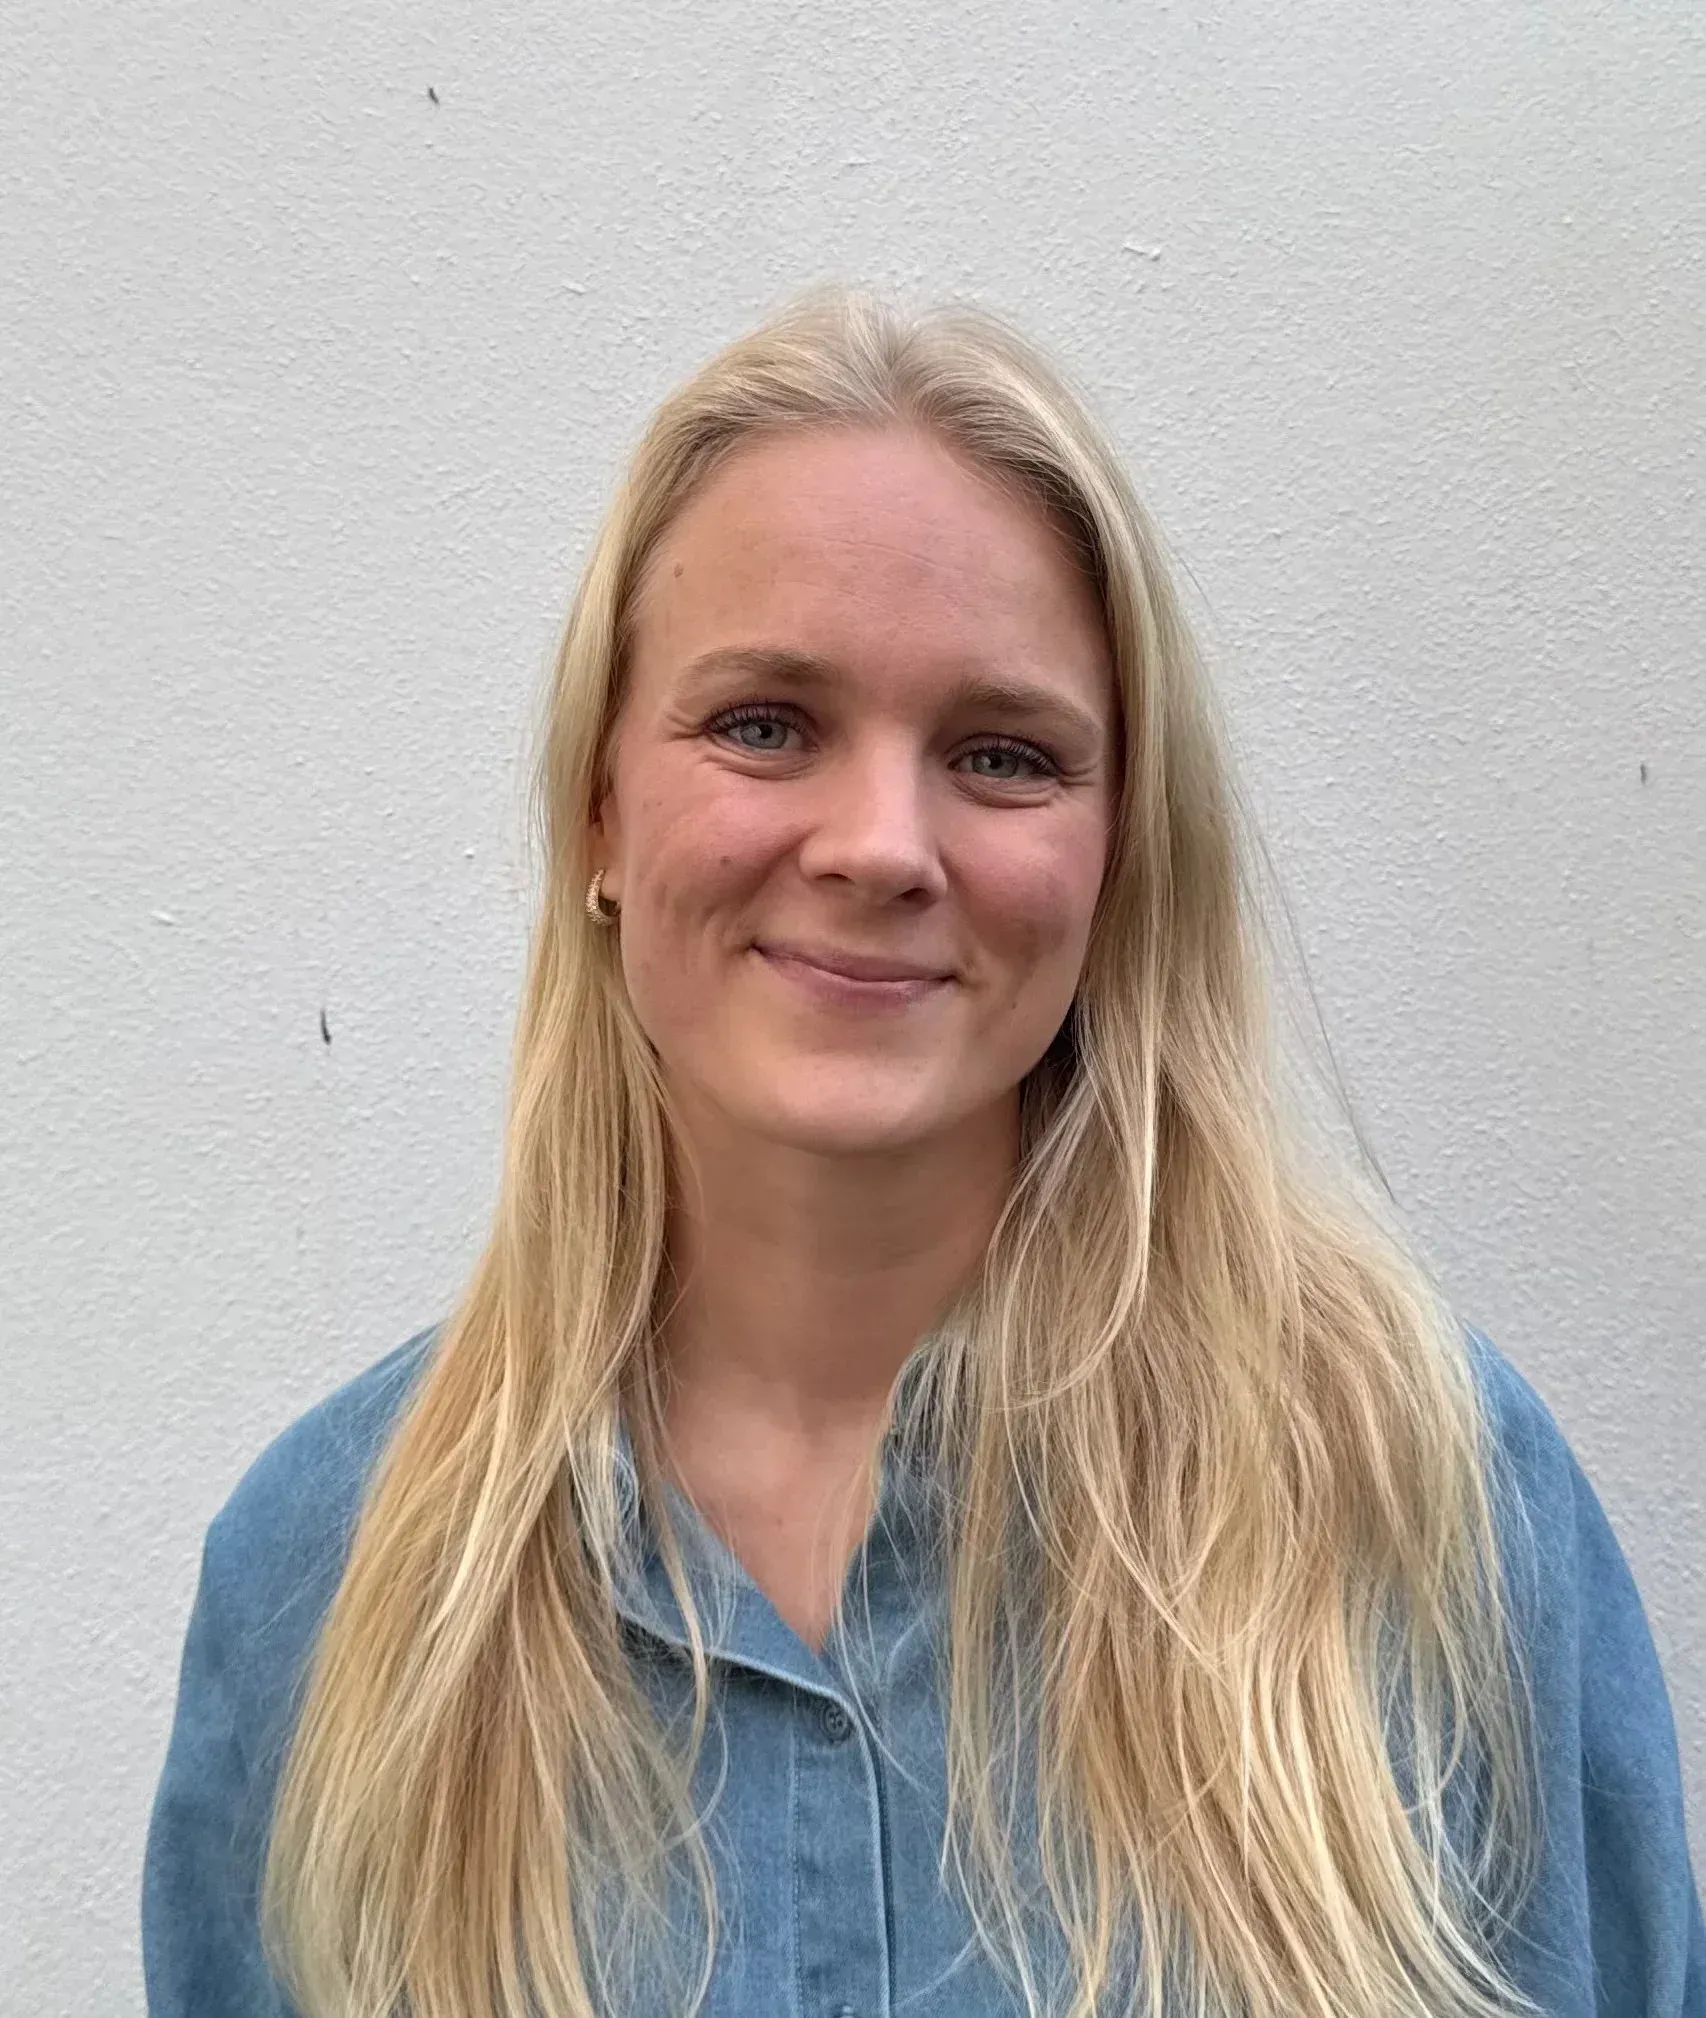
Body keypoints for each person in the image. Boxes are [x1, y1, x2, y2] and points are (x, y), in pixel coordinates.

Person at [141, 283, 1705, 2018]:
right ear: (598, 809)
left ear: (1119, 855)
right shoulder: (328, 1585)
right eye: (764, 723)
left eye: (1002, 754)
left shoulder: (1420, 1507)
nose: (881, 844)